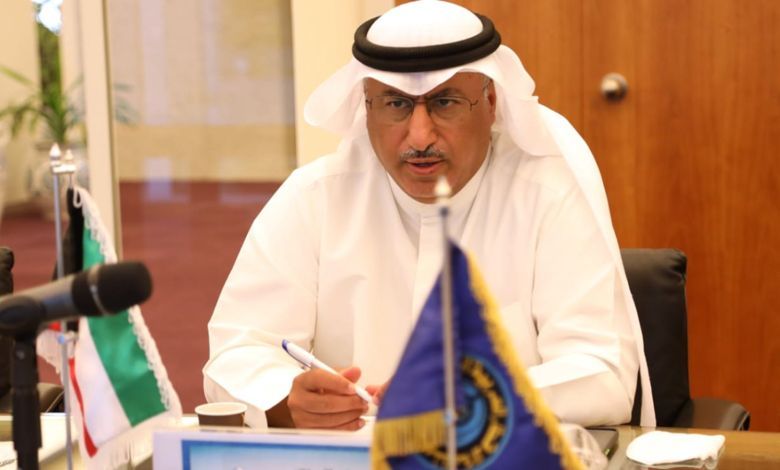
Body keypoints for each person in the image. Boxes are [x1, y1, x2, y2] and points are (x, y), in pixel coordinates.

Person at [203, 0, 655, 431]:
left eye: (445, 102)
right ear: (366, 107)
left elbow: (602, 373)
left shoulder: (548, 195)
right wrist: (286, 400)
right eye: (396, 104)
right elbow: (236, 352)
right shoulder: (314, 198)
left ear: (491, 102)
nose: (419, 137)